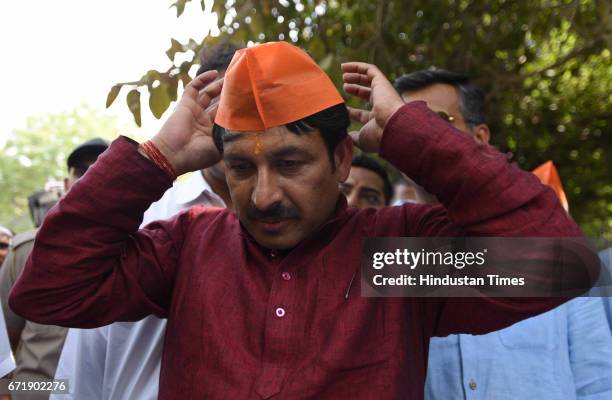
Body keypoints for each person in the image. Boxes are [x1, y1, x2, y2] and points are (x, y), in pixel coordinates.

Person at [9, 42, 597, 399]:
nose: (263, 197)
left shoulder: (393, 258)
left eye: (290, 163)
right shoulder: (190, 248)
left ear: (342, 159)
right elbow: (51, 290)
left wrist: (414, 135)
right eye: (240, 168)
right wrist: (154, 158)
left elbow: (557, 265)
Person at [394, 69, 612, 399]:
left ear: (480, 137)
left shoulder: (556, 245)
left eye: (436, 121)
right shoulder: (388, 255)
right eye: (404, 126)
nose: (419, 138)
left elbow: (598, 382)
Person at [51, 41, 238, 400]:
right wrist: (162, 153)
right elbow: (75, 375)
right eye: (226, 103)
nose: (237, 123)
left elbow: (383, 304)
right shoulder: (142, 219)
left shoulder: (307, 227)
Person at [0, 138, 108, 400]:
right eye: (81, 171)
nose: (90, 177)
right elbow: (5, 339)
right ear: (66, 184)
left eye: (102, 167)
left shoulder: (143, 249)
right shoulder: (25, 251)